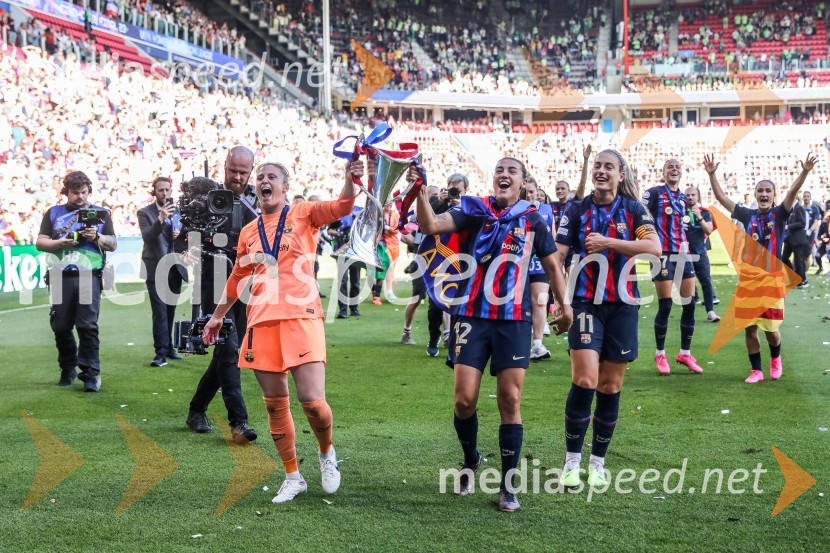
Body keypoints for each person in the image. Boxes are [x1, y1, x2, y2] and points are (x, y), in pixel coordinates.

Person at [417, 157, 572, 513]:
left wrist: (566, 306)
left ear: (522, 182)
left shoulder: (533, 218)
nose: (504, 174)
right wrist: (421, 191)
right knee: (464, 401)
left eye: (511, 171)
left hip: (514, 320)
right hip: (471, 315)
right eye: (499, 169)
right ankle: (471, 460)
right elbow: (429, 224)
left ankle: (508, 484)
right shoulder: (473, 210)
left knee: (510, 400)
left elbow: (552, 265)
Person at [202, 159, 360, 503]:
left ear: (284, 186)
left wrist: (349, 179)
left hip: (301, 318)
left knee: (313, 402)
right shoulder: (248, 232)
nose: (263, 181)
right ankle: (292, 475)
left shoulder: (303, 214)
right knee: (275, 406)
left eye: (270, 176)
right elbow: (237, 278)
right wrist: (217, 317)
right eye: (260, 177)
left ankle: (326, 453)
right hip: (260, 323)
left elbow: (343, 205)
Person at [554, 149, 661, 488]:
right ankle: (572, 461)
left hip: (623, 305)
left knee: (610, 386)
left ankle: (597, 463)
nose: (601, 171)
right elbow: (557, 256)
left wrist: (609, 242)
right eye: (598, 166)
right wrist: (559, 300)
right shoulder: (576, 209)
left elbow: (654, 248)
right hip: (585, 303)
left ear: (621, 175)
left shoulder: (634, 210)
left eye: (608, 167)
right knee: (585, 379)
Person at [704, 152, 817, 383]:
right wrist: (712, 175)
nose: (764, 194)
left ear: (774, 196)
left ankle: (776, 359)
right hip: (749, 280)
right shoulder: (746, 214)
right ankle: (756, 370)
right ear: (755, 195)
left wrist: (804, 171)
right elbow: (721, 197)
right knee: (749, 329)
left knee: (771, 329)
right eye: (760, 191)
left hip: (772, 280)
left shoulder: (780, 213)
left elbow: (792, 192)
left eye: (768, 191)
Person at [183, 146, 259, 443]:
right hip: (214, 280)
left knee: (230, 352)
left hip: (249, 282)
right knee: (228, 350)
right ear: (224, 166)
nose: (237, 177)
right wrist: (188, 249)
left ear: (251, 171)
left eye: (243, 172)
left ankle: (196, 409)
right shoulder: (204, 198)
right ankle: (238, 422)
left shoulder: (257, 198)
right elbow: (184, 235)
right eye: (233, 170)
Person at [36, 171, 117, 392]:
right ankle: (68, 366)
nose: (79, 197)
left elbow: (113, 243)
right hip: (60, 274)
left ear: (89, 191)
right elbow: (40, 242)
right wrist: (60, 243)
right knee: (60, 326)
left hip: (89, 273)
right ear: (66, 192)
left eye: (83, 192)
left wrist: (97, 237)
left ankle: (91, 373)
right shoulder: (53, 213)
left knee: (87, 325)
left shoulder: (101, 213)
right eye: (74, 193)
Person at [643, 159, 702, 375]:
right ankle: (660, 354)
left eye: (677, 167)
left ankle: (685, 353)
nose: (674, 170)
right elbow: (640, 217)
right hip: (662, 255)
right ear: (663, 172)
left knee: (690, 303)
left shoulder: (683, 198)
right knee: (666, 305)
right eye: (670, 167)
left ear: (682, 172)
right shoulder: (655, 193)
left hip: (683, 254)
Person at [138, 176, 187, 367]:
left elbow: (187, 237)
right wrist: (161, 218)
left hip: (175, 266)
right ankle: (160, 352)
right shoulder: (145, 213)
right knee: (159, 311)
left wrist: (180, 236)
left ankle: (169, 348)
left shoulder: (180, 211)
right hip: (155, 267)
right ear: (154, 192)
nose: (165, 193)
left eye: (167, 190)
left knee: (170, 309)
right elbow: (148, 237)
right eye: (161, 190)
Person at [424, 173, 469, 356]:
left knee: (460, 302)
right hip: (439, 259)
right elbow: (425, 222)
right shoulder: (438, 202)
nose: (454, 192)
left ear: (466, 190)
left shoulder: (470, 205)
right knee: (435, 303)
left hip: (461, 259)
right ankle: (434, 337)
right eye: (451, 188)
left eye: (457, 190)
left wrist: (462, 206)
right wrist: (440, 202)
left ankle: (456, 341)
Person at [524, 178, 555, 360]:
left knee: (541, 301)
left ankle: (537, 344)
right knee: (520, 302)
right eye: (526, 192)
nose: (529, 195)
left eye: (532, 192)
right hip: (519, 261)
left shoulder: (546, 210)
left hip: (539, 260)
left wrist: (555, 259)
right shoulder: (515, 210)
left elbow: (552, 236)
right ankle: (518, 342)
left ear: (538, 192)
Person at [684, 186, 720, 322]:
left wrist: (698, 216)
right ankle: (688, 313)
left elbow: (709, 230)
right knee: (686, 285)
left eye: (693, 194)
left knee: (706, 282)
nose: (690, 197)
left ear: (698, 196)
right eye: (687, 195)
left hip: (700, 253)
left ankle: (710, 312)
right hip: (683, 254)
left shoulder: (705, 213)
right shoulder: (680, 212)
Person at [550, 145, 592, 229]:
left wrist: (586, 160)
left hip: (571, 241)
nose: (560, 191)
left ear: (569, 190)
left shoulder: (575, 202)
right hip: (555, 241)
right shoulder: (551, 206)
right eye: (557, 189)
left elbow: (583, 182)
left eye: (563, 188)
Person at [782, 197, 809, 288]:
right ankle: (794, 277)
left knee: (798, 260)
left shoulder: (799, 208)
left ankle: (802, 281)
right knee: (784, 258)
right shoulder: (790, 208)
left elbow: (802, 223)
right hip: (789, 239)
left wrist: (788, 227)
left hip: (797, 239)